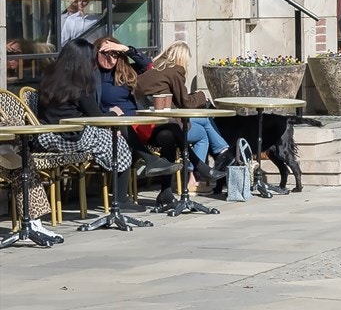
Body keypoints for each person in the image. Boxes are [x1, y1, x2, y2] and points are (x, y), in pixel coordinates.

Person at [33, 38, 173, 214]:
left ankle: (150, 161)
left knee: (115, 134)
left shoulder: (49, 76)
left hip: (47, 136)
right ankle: (121, 199)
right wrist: (115, 113)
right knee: (118, 143)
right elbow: (97, 117)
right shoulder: (79, 84)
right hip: (70, 137)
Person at [134, 41, 232, 176]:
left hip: (149, 126)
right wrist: (202, 96)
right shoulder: (174, 71)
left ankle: (222, 149)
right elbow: (186, 103)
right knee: (202, 134)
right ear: (181, 58)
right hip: (168, 126)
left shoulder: (151, 73)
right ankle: (194, 177)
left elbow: (177, 99)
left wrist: (196, 97)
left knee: (205, 119)